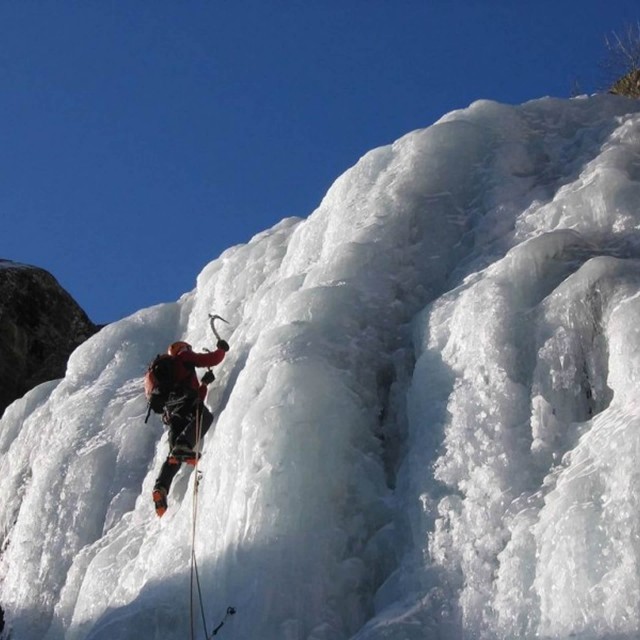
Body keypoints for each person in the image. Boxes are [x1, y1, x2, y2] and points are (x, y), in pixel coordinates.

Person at [152, 338, 229, 517]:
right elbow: (210, 360)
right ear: (183, 348)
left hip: (173, 413)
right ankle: (184, 446)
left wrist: (203, 384)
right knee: (205, 417)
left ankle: (161, 488)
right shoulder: (184, 357)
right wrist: (221, 350)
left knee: (173, 457)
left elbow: (196, 395)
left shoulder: (172, 373)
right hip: (186, 402)